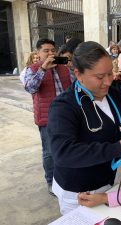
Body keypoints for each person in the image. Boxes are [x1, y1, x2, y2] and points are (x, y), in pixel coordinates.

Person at [47, 41, 121, 215]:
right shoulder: (63, 106)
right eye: (99, 77)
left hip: (106, 183)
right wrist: (117, 148)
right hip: (77, 191)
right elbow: (63, 153)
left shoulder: (114, 94)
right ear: (78, 74)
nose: (108, 81)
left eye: (109, 73)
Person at [23, 38, 72, 196]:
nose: (51, 53)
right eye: (46, 50)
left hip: (67, 116)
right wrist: (43, 69)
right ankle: (51, 181)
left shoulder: (63, 68)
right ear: (38, 52)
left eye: (53, 50)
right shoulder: (32, 69)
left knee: (68, 147)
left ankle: (65, 176)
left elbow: (75, 86)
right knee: (49, 152)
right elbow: (30, 87)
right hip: (47, 118)